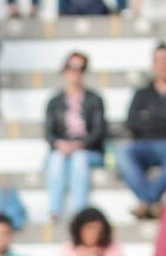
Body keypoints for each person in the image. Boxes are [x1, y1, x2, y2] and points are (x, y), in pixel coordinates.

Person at [116, 42, 166, 221]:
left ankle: (146, 201)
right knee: (122, 152)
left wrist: (152, 116)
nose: (163, 65)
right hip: (144, 145)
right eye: (159, 61)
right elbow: (132, 122)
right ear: (153, 65)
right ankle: (153, 200)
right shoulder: (142, 94)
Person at [40, 51, 105, 227]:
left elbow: (98, 132)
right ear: (64, 70)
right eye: (71, 67)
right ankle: (54, 210)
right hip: (62, 149)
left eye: (80, 68)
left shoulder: (95, 100)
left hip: (87, 150)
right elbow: (48, 133)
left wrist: (80, 144)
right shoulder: (54, 101)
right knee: (57, 159)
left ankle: (80, 212)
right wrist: (59, 144)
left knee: (78, 158)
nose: (75, 72)